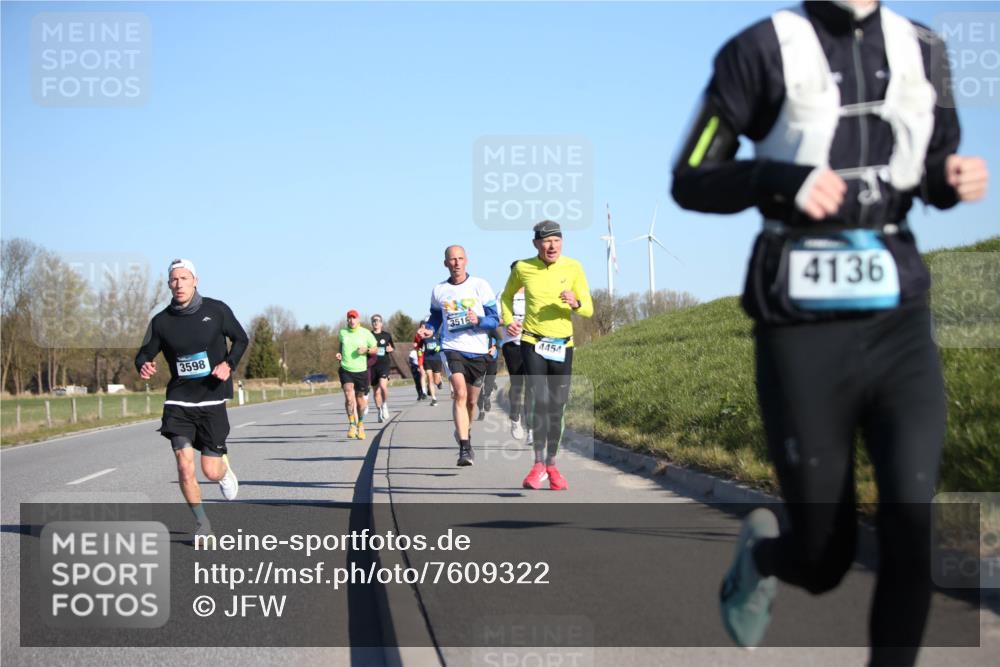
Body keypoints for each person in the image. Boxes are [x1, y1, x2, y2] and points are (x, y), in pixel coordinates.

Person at [670, 1, 989, 663]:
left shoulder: (925, 47)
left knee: (912, 524)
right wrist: (779, 178)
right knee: (823, 556)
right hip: (800, 326)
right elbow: (691, 175)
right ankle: (763, 553)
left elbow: (930, 164)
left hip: (898, 315)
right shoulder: (758, 49)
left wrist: (949, 179)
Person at [135, 258, 248, 537]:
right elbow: (144, 353)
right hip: (179, 401)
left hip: (211, 398)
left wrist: (229, 364)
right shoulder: (161, 322)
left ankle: (224, 471)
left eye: (184, 278)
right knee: (185, 467)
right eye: (174, 279)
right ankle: (202, 524)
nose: (179, 284)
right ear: (168, 284)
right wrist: (143, 364)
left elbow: (241, 339)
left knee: (210, 471)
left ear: (195, 281)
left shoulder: (216, 310)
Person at [501, 221, 593, 491]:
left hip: (563, 344)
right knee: (540, 400)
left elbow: (587, 308)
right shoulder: (523, 268)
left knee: (557, 406)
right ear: (536, 244)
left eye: (556, 240)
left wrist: (575, 302)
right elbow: (506, 298)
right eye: (546, 241)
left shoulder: (573, 267)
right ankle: (537, 464)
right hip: (532, 341)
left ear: (562, 242)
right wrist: (509, 321)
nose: (551, 246)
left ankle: (552, 464)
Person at [418, 245, 499, 466]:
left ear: (467, 261)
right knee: (460, 394)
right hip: (452, 346)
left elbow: (495, 319)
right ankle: (464, 448)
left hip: (479, 349)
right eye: (452, 259)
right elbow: (436, 317)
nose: (456, 263)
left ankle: (466, 432)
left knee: (472, 401)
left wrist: (479, 321)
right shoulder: (439, 290)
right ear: (445, 263)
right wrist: (430, 329)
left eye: (460, 258)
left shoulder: (480, 286)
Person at [336, 309, 378, 440]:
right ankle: (352, 424)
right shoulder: (342, 332)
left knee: (361, 403)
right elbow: (341, 346)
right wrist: (339, 354)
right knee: (349, 397)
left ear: (358, 319)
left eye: (354, 318)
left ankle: (360, 424)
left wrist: (367, 350)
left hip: (361, 371)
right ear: (347, 320)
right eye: (349, 318)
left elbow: (376, 349)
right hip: (346, 369)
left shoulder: (366, 333)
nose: (351, 320)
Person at [498, 282, 529, 440]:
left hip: (533, 344)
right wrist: (509, 322)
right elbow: (496, 319)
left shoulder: (535, 291)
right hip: (512, 344)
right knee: (517, 384)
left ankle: (531, 429)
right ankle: (515, 417)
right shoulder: (504, 294)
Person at [370, 314, 395, 422]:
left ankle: (384, 405)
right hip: (372, 365)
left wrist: (391, 349)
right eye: (374, 321)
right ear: (372, 323)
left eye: (378, 320)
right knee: (376, 392)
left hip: (384, 364)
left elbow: (392, 347)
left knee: (383, 386)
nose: (376, 322)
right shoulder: (368, 335)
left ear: (381, 323)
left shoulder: (387, 335)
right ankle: (379, 410)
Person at [476, 333, 500, 420]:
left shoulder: (491, 324)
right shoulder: (472, 325)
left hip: (491, 359)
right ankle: (481, 410)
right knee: (477, 386)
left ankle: (487, 397)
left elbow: (500, 338)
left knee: (489, 383)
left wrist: (494, 347)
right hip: (476, 359)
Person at [420, 326, 444, 406]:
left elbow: (442, 344)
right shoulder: (423, 339)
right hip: (427, 360)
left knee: (436, 381)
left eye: (429, 329)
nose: (427, 331)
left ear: (432, 330)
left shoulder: (437, 336)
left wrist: (439, 347)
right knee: (430, 379)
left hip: (437, 360)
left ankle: (439, 381)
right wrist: (420, 351)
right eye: (426, 329)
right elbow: (419, 348)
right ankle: (434, 399)